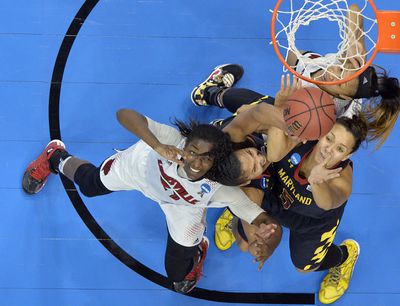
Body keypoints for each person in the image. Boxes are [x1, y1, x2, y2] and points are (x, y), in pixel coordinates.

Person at [22, 108, 279, 294]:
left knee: (177, 275)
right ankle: (56, 157)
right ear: (186, 143)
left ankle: (198, 249)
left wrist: (269, 239)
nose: (194, 162)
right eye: (192, 152)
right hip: (139, 169)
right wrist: (156, 144)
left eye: (205, 160)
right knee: (90, 186)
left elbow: (262, 220)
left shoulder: (222, 190)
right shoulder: (171, 139)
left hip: (182, 208)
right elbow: (125, 114)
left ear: (215, 167)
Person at [203, 77, 368, 304]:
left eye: (340, 148)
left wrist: (317, 181)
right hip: (276, 194)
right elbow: (272, 155)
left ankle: (345, 256)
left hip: (310, 221)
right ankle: (236, 210)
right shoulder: (304, 137)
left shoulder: (343, 179)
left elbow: (329, 202)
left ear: (347, 155)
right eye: (329, 138)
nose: (330, 149)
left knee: (303, 267)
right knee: (243, 242)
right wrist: (279, 111)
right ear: (322, 133)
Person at [191, 5, 400, 149]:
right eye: (345, 67)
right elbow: (354, 9)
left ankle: (211, 95)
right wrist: (356, 40)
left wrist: (257, 119)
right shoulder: (352, 64)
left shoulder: (321, 108)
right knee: (261, 105)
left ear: (345, 97)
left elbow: (288, 129)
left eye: (343, 80)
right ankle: (214, 97)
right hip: (305, 65)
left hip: (296, 122)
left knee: (254, 113)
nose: (339, 70)